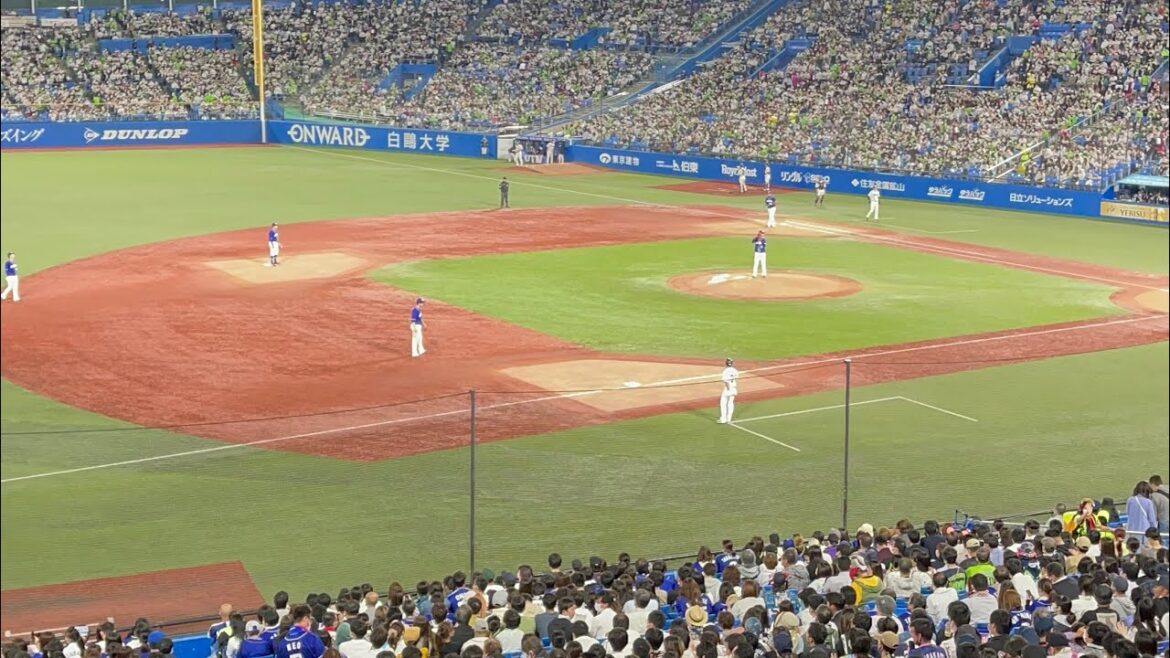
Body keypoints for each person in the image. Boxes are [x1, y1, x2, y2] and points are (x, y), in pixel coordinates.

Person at [718, 357, 738, 424]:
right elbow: (736, 378)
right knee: (730, 403)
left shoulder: (725, 371)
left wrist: (728, 389)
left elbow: (726, 381)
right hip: (734, 388)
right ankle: (729, 419)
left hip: (728, 389)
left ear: (726, 363)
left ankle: (723, 419)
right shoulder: (735, 370)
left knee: (723, 403)